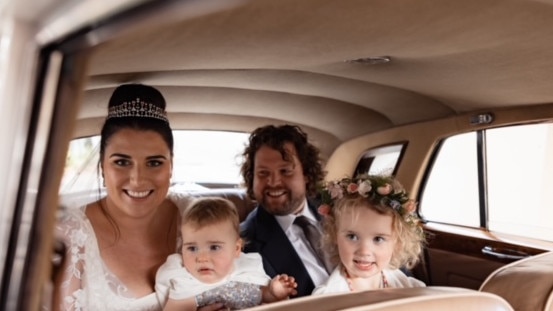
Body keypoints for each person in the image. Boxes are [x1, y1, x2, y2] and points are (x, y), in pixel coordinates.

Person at [52, 84, 224, 311]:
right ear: (103, 166)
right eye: (122, 162)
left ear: (171, 166)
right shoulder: (70, 235)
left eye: (154, 163)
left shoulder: (198, 216)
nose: (137, 180)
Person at [156, 197, 297, 310]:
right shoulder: (184, 280)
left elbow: (263, 296)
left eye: (214, 247)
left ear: (236, 249)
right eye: (192, 248)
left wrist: (274, 291)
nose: (202, 258)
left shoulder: (247, 270)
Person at [239, 124, 331, 297]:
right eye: (263, 173)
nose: (273, 182)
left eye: (285, 171)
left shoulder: (340, 209)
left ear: (306, 174)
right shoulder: (243, 244)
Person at [312, 174, 426, 294]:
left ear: (398, 242)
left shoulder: (411, 289)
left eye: (378, 239)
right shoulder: (326, 298)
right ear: (335, 235)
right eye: (352, 237)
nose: (364, 251)